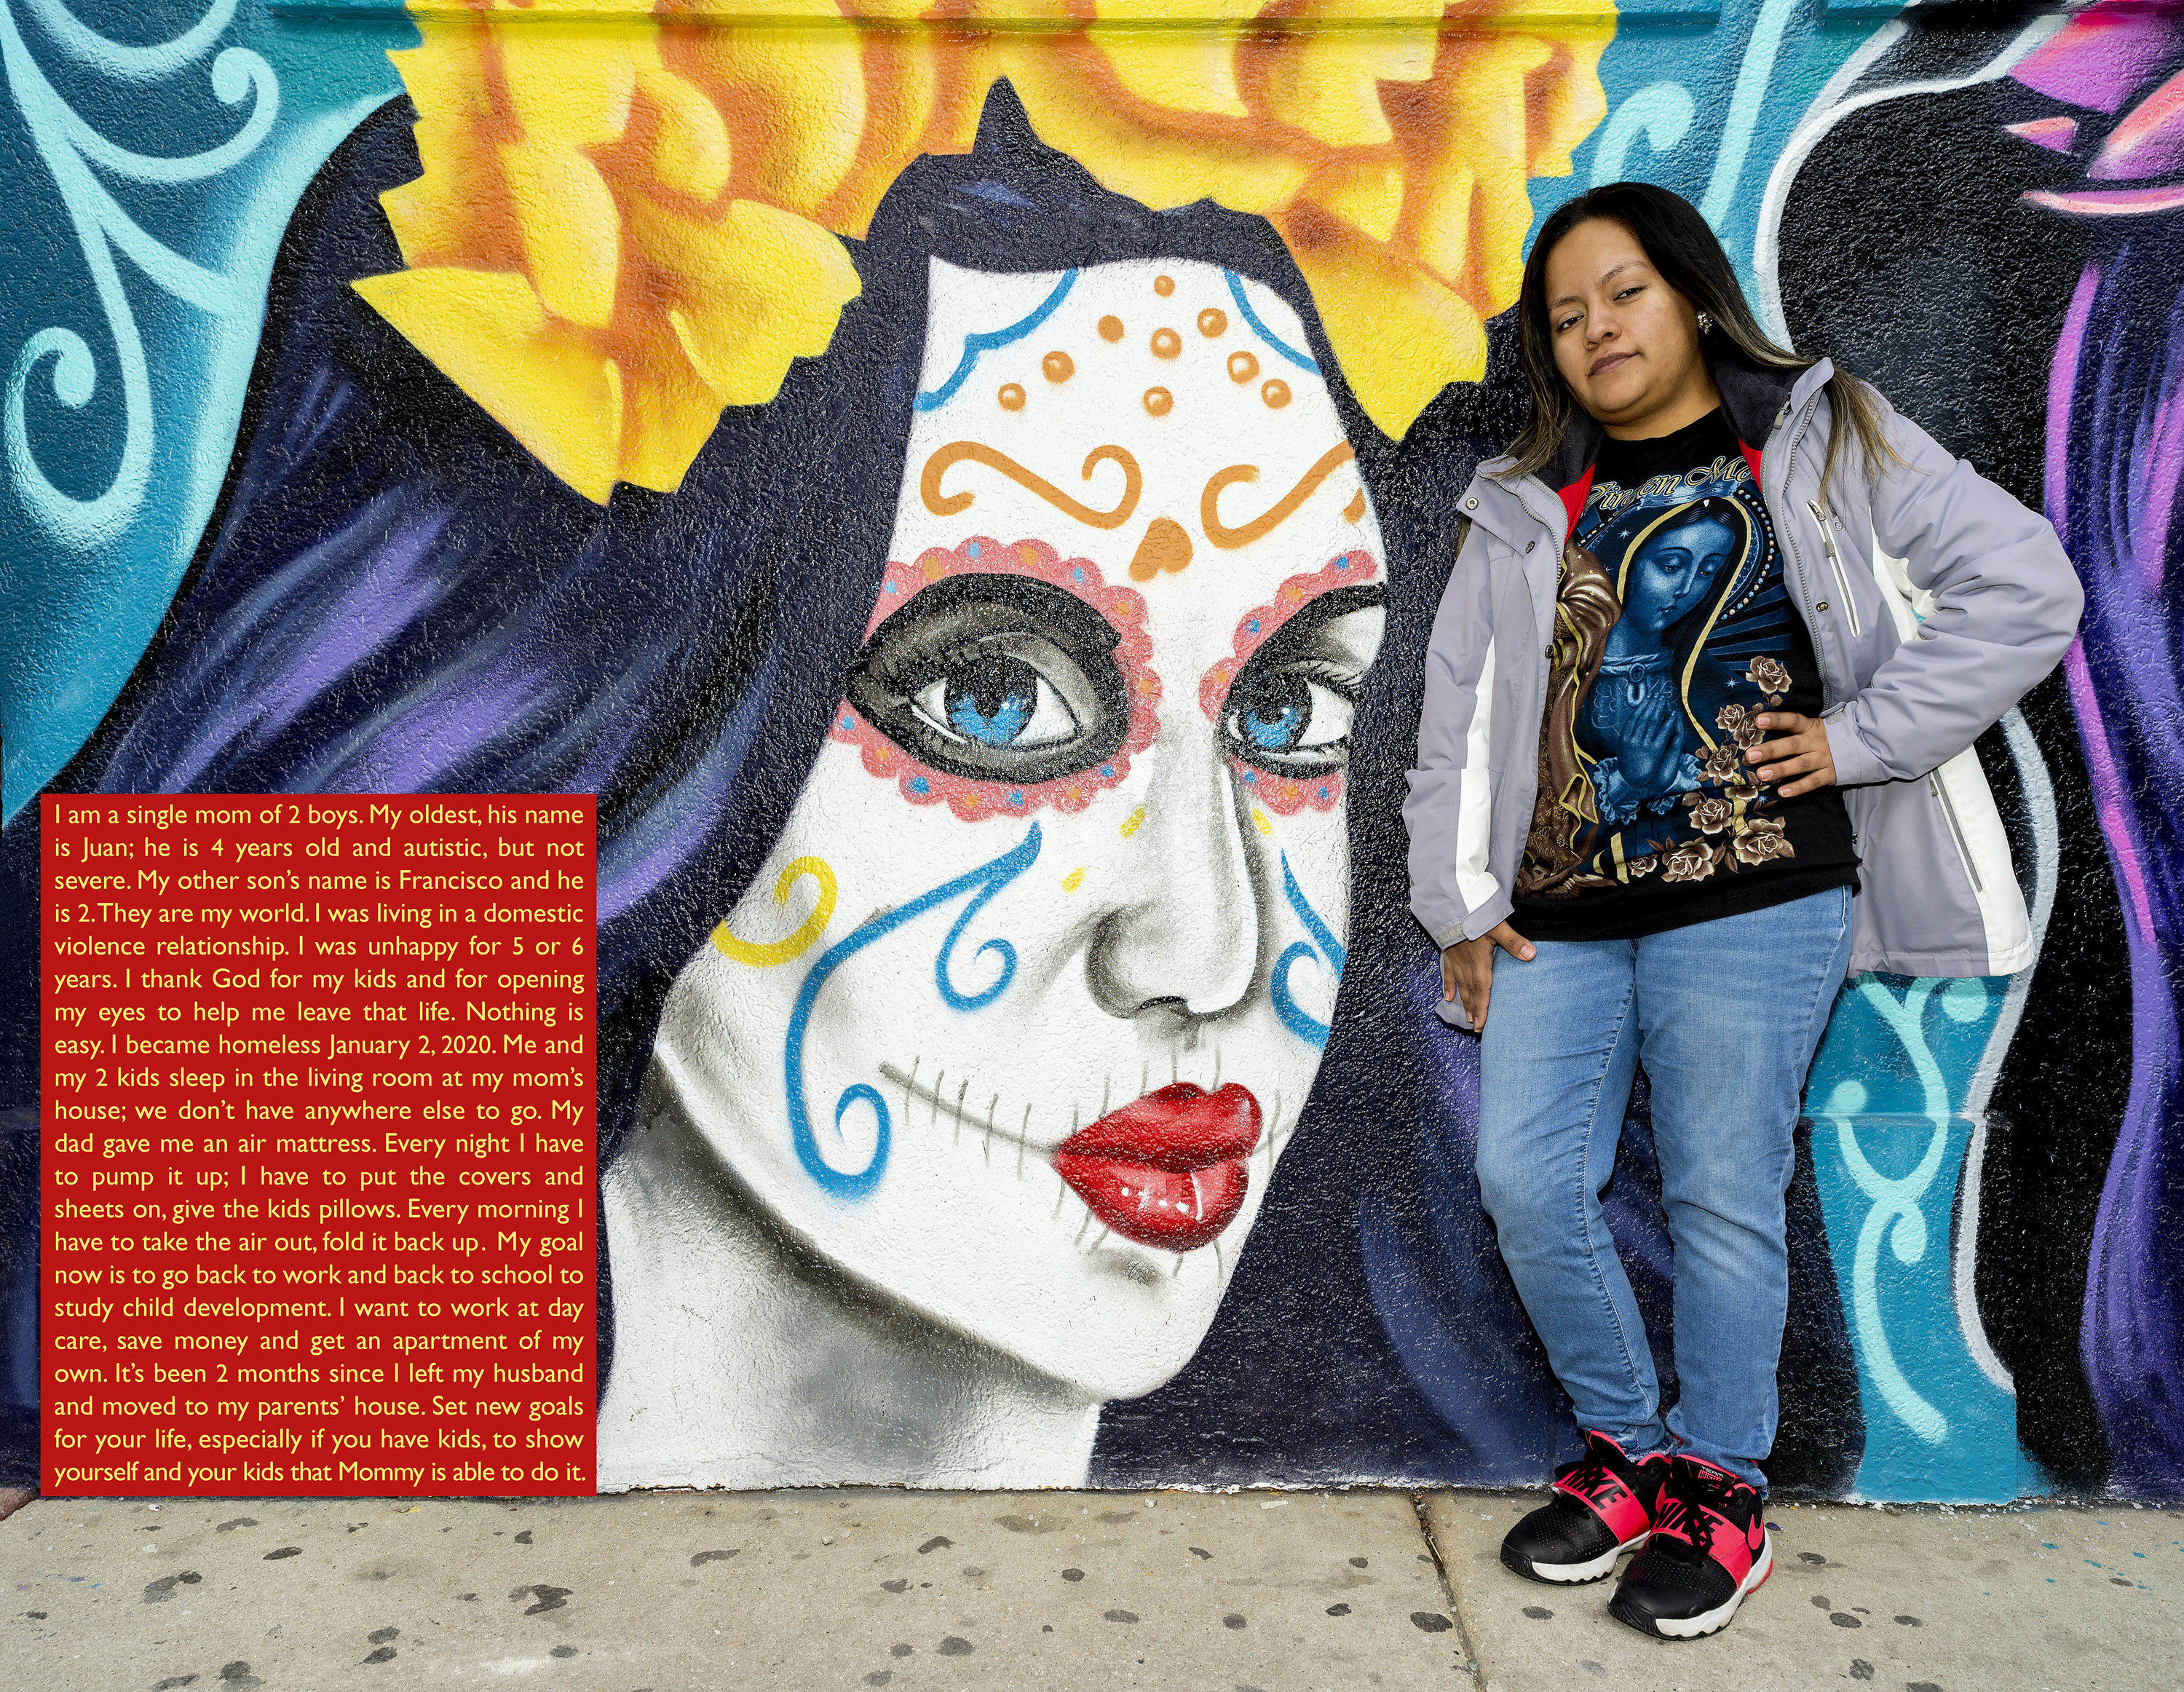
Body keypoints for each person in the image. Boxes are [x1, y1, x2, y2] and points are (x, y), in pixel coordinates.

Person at [1403, 182, 2082, 1639]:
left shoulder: (1829, 439)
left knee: (1719, 1190)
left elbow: (2028, 586)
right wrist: (1456, 899)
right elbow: (1456, 721)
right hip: (1556, 911)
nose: (1596, 329)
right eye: (1566, 316)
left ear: (1695, 295)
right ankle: (1627, 1450)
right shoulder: (1526, 508)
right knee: (1527, 1180)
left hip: (1759, 898)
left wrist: (1864, 737)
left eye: (1623, 293)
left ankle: (1720, 1482)